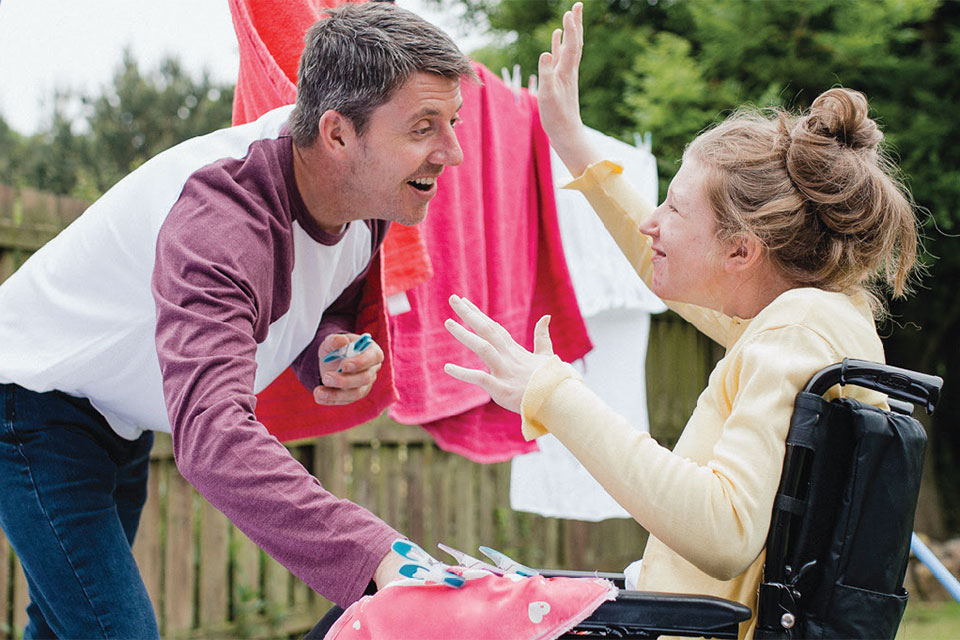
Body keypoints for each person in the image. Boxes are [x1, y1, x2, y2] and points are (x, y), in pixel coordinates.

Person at [0, 3, 476, 638]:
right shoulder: (221, 223)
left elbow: (322, 296)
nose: (454, 152)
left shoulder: (368, 200)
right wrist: (376, 554)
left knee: (66, 626)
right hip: (31, 402)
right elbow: (213, 434)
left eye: (453, 122)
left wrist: (328, 347)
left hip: (117, 415)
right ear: (336, 133)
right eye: (423, 127)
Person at [443, 4, 918, 638]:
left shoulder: (795, 329)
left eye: (673, 206)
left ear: (741, 252)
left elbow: (723, 531)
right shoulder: (820, 317)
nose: (652, 223)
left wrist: (553, 394)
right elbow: (660, 265)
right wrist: (570, 138)